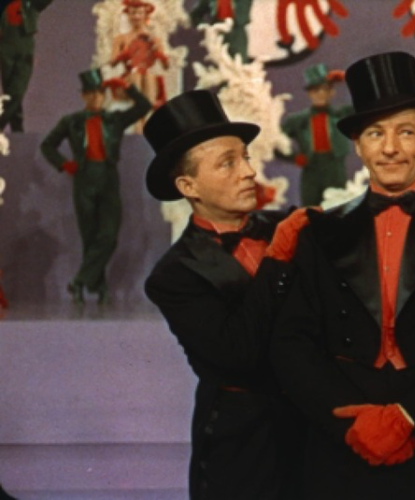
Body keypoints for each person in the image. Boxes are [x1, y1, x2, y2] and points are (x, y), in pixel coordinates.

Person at [271, 51, 415, 499]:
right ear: (357, 145)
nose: (390, 148)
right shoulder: (318, 232)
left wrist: (412, 418)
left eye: (406, 132)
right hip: (344, 435)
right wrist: (352, 422)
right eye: (375, 133)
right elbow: (292, 343)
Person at [142, 89, 305, 499]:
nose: (249, 171)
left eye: (245, 157)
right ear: (188, 185)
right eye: (228, 163)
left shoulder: (286, 226)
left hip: (314, 430)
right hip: (242, 445)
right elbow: (238, 353)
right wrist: (279, 258)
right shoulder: (174, 275)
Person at [40, 69, 152, 305]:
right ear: (83, 96)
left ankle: (80, 280)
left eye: (100, 93)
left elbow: (144, 106)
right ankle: (98, 287)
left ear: (105, 95)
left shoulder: (114, 120)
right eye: (91, 94)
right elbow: (47, 145)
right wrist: (64, 164)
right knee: (90, 236)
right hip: (84, 178)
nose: (96, 98)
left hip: (108, 178)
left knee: (108, 235)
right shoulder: (72, 122)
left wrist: (127, 87)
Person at [280, 63, 353, 206]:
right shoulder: (298, 120)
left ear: (332, 92)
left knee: (338, 207)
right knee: (310, 210)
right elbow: (273, 141)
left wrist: (349, 78)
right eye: (315, 90)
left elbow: (365, 103)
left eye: (325, 89)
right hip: (311, 169)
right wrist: (294, 157)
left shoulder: (341, 115)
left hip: (334, 168)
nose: (320, 94)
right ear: (309, 93)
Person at [110, 0, 171, 131]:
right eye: (133, 13)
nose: (136, 17)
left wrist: (158, 53)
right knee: (136, 75)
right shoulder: (121, 39)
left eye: (139, 13)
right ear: (128, 15)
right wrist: (126, 53)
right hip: (128, 80)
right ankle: (138, 121)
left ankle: (147, 120)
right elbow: (112, 63)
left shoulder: (154, 39)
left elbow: (166, 66)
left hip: (148, 78)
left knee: (148, 77)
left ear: (145, 15)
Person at [0, 0, 53, 132]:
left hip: (24, 43)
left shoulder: (30, 3)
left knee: (17, 91)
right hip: (5, 44)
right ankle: (18, 130)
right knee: (10, 91)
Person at [190, 0, 254, 62]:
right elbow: (195, 15)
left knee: (238, 63)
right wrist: (204, 26)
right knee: (216, 63)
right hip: (216, 37)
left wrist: (229, 20)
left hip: (236, 38)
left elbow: (243, 17)